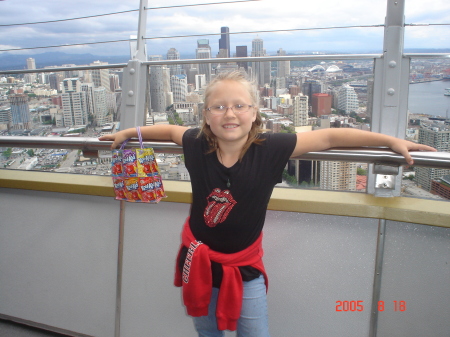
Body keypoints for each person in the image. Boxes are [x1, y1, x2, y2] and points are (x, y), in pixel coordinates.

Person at [99, 71, 435, 337]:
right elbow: (171, 131)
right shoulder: (195, 143)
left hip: (245, 269)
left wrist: (391, 141)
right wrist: (129, 132)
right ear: (206, 115)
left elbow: (331, 137)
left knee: (254, 330)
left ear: (254, 112)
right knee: (206, 328)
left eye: (239, 105)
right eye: (218, 106)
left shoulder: (270, 147)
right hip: (200, 259)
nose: (229, 113)